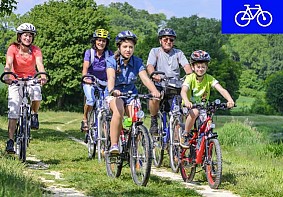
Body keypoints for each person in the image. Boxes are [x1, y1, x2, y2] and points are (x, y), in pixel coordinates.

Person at [106, 30, 160, 154]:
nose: (128, 50)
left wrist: (154, 91)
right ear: (119, 47)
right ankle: (114, 145)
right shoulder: (112, 60)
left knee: (136, 119)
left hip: (131, 94)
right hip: (115, 94)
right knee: (118, 112)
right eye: (125, 47)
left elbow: (145, 78)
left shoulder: (137, 62)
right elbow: (111, 77)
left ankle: (135, 152)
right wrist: (112, 90)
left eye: (131, 47)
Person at [3, 23, 47, 153]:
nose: (28, 38)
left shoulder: (36, 50)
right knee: (13, 110)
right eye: (25, 35)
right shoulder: (13, 48)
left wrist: (43, 75)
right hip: (15, 79)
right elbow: (8, 63)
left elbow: (39, 64)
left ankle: (34, 114)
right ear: (19, 36)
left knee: (37, 94)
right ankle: (10, 141)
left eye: (30, 36)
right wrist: (7, 75)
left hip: (31, 79)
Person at [180, 50, 235, 147]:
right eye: (198, 67)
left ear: (206, 67)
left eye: (203, 67)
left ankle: (203, 147)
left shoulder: (209, 78)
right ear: (192, 67)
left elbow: (221, 89)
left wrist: (230, 100)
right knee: (195, 112)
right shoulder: (190, 78)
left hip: (202, 107)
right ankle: (186, 134)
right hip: (188, 107)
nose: (200, 69)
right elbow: (183, 91)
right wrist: (187, 101)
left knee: (207, 121)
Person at [146, 28, 193, 135]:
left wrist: (190, 76)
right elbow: (149, 66)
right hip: (160, 84)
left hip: (175, 86)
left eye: (171, 40)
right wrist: (154, 74)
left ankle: (175, 146)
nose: (168, 42)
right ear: (160, 40)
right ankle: (153, 120)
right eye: (165, 39)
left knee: (178, 113)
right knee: (155, 97)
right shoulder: (155, 51)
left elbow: (186, 66)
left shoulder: (178, 53)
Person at [81, 29, 113, 132]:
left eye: (104, 41)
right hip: (90, 81)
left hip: (105, 82)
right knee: (90, 100)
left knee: (107, 105)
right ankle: (85, 118)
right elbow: (85, 69)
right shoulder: (89, 52)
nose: (101, 43)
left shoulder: (109, 54)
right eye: (99, 40)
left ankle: (105, 130)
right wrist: (86, 78)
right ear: (95, 41)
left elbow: (113, 68)